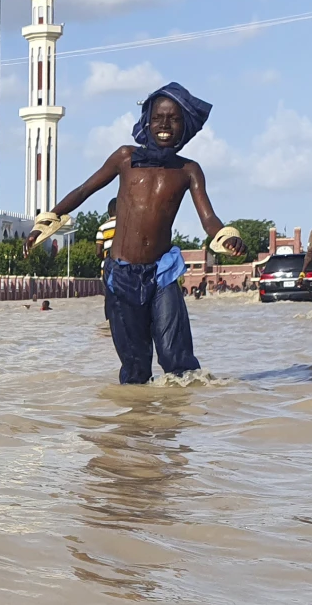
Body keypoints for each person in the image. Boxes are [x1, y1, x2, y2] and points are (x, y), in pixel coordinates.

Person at [25, 82, 245, 384]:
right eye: (158, 117)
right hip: (122, 273)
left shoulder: (189, 170)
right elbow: (84, 189)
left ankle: (179, 425)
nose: (165, 124)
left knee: (177, 360)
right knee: (135, 366)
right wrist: (47, 221)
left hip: (163, 272)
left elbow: (208, 218)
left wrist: (226, 236)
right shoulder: (125, 157)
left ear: (184, 126)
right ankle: (136, 426)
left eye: (173, 118)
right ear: (147, 121)